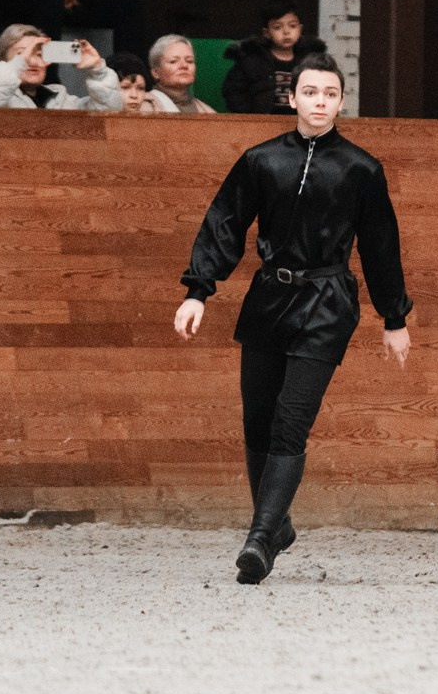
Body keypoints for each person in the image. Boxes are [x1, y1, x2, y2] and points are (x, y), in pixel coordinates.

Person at [174, 52, 412, 584]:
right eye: (310, 92)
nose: (319, 102)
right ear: (292, 98)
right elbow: (225, 223)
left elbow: (380, 246)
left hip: (327, 303)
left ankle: (260, 539)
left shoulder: (362, 169)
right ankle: (277, 524)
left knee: (291, 421)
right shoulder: (260, 160)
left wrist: (393, 317)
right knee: (257, 420)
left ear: (341, 101)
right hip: (267, 300)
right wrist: (198, 291)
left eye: (330, 94)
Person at [0, 24, 121, 110]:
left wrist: (98, 71)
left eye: (40, 55)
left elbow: (108, 112)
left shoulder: (61, 99)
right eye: (22, 54)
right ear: (3, 60)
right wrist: (19, 64)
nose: (33, 62)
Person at [223, 1, 323, 116]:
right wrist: (250, 116)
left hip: (302, 121)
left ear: (300, 30)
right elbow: (233, 91)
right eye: (277, 27)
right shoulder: (252, 61)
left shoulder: (311, 62)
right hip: (262, 122)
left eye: (292, 26)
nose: (286, 32)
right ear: (266, 33)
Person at [138, 34, 217, 114]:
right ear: (155, 72)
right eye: (173, 61)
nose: (184, 65)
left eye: (189, 61)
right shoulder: (144, 107)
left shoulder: (206, 110)